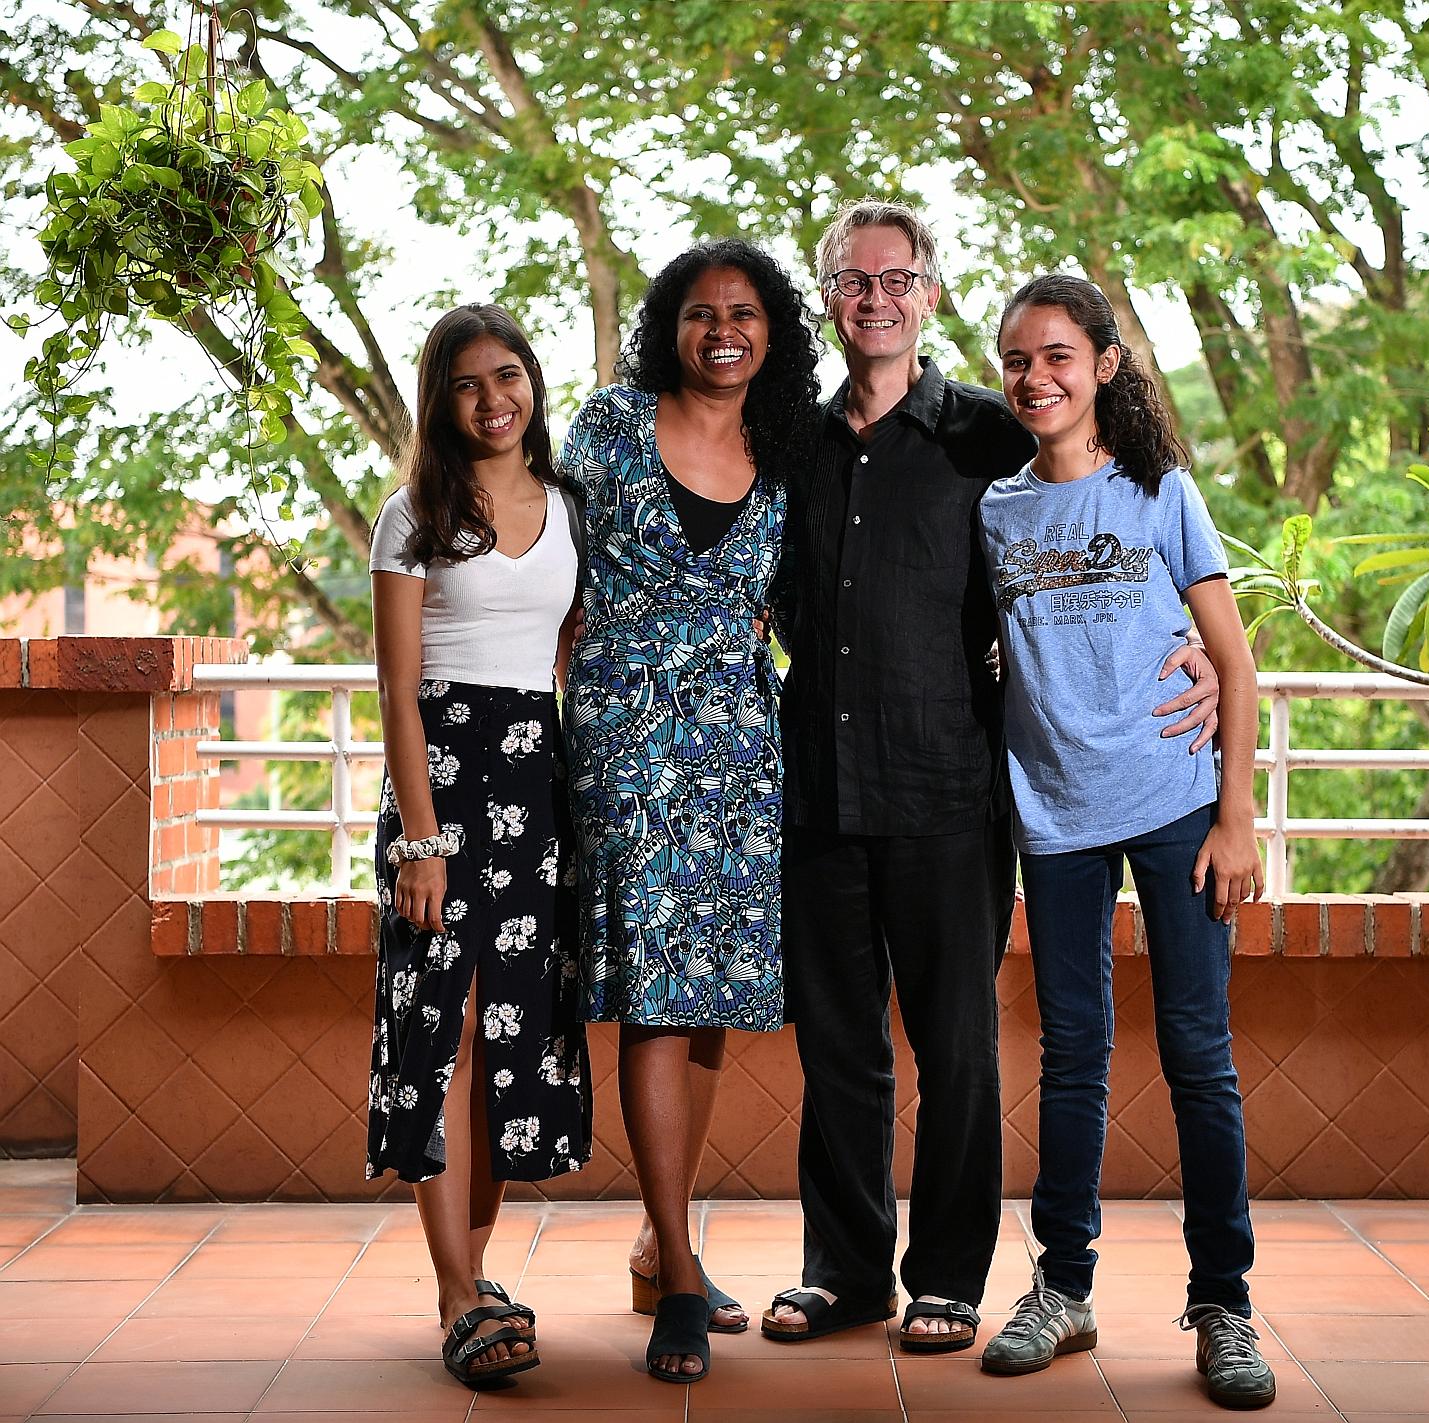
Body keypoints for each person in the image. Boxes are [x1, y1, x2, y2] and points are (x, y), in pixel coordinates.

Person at [764, 201, 1220, 1355]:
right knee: (838, 1045)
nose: (877, 298)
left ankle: (953, 1275)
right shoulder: (793, 449)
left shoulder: (988, 439)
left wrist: (1213, 657)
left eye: (898, 278)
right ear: (831, 300)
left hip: (953, 793)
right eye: (855, 281)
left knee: (959, 1047)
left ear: (929, 295)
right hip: (819, 787)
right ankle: (846, 1268)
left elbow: (1120, 508)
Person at [974, 273, 1274, 1410]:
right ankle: (1063, 1285)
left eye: (1055, 354)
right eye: (1015, 358)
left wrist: (1235, 814)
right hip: (1052, 819)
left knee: (1200, 1058)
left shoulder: (1160, 491)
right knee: (1073, 1056)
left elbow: (1231, 659)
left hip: (1175, 806)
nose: (1034, 376)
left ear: (1103, 364)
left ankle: (1224, 1304)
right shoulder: (996, 510)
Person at [558, 239, 821, 1383]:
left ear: (772, 332)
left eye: (748, 313)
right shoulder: (610, 426)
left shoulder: (788, 444)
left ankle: (661, 1242)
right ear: (671, 324)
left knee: (703, 998)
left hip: (735, 751)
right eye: (704, 312)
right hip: (623, 740)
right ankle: (675, 1276)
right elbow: (538, 556)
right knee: (657, 1001)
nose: (726, 330)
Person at [367, 304, 591, 1390]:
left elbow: (566, 650)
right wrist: (420, 836)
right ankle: (457, 1291)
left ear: (533, 384)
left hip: (535, 778)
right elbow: (398, 692)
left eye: (510, 376)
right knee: (440, 1026)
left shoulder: (566, 509)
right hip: (443, 780)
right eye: (469, 383)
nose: (495, 399)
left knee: (516, 1029)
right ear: (440, 400)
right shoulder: (413, 512)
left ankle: (476, 1273)